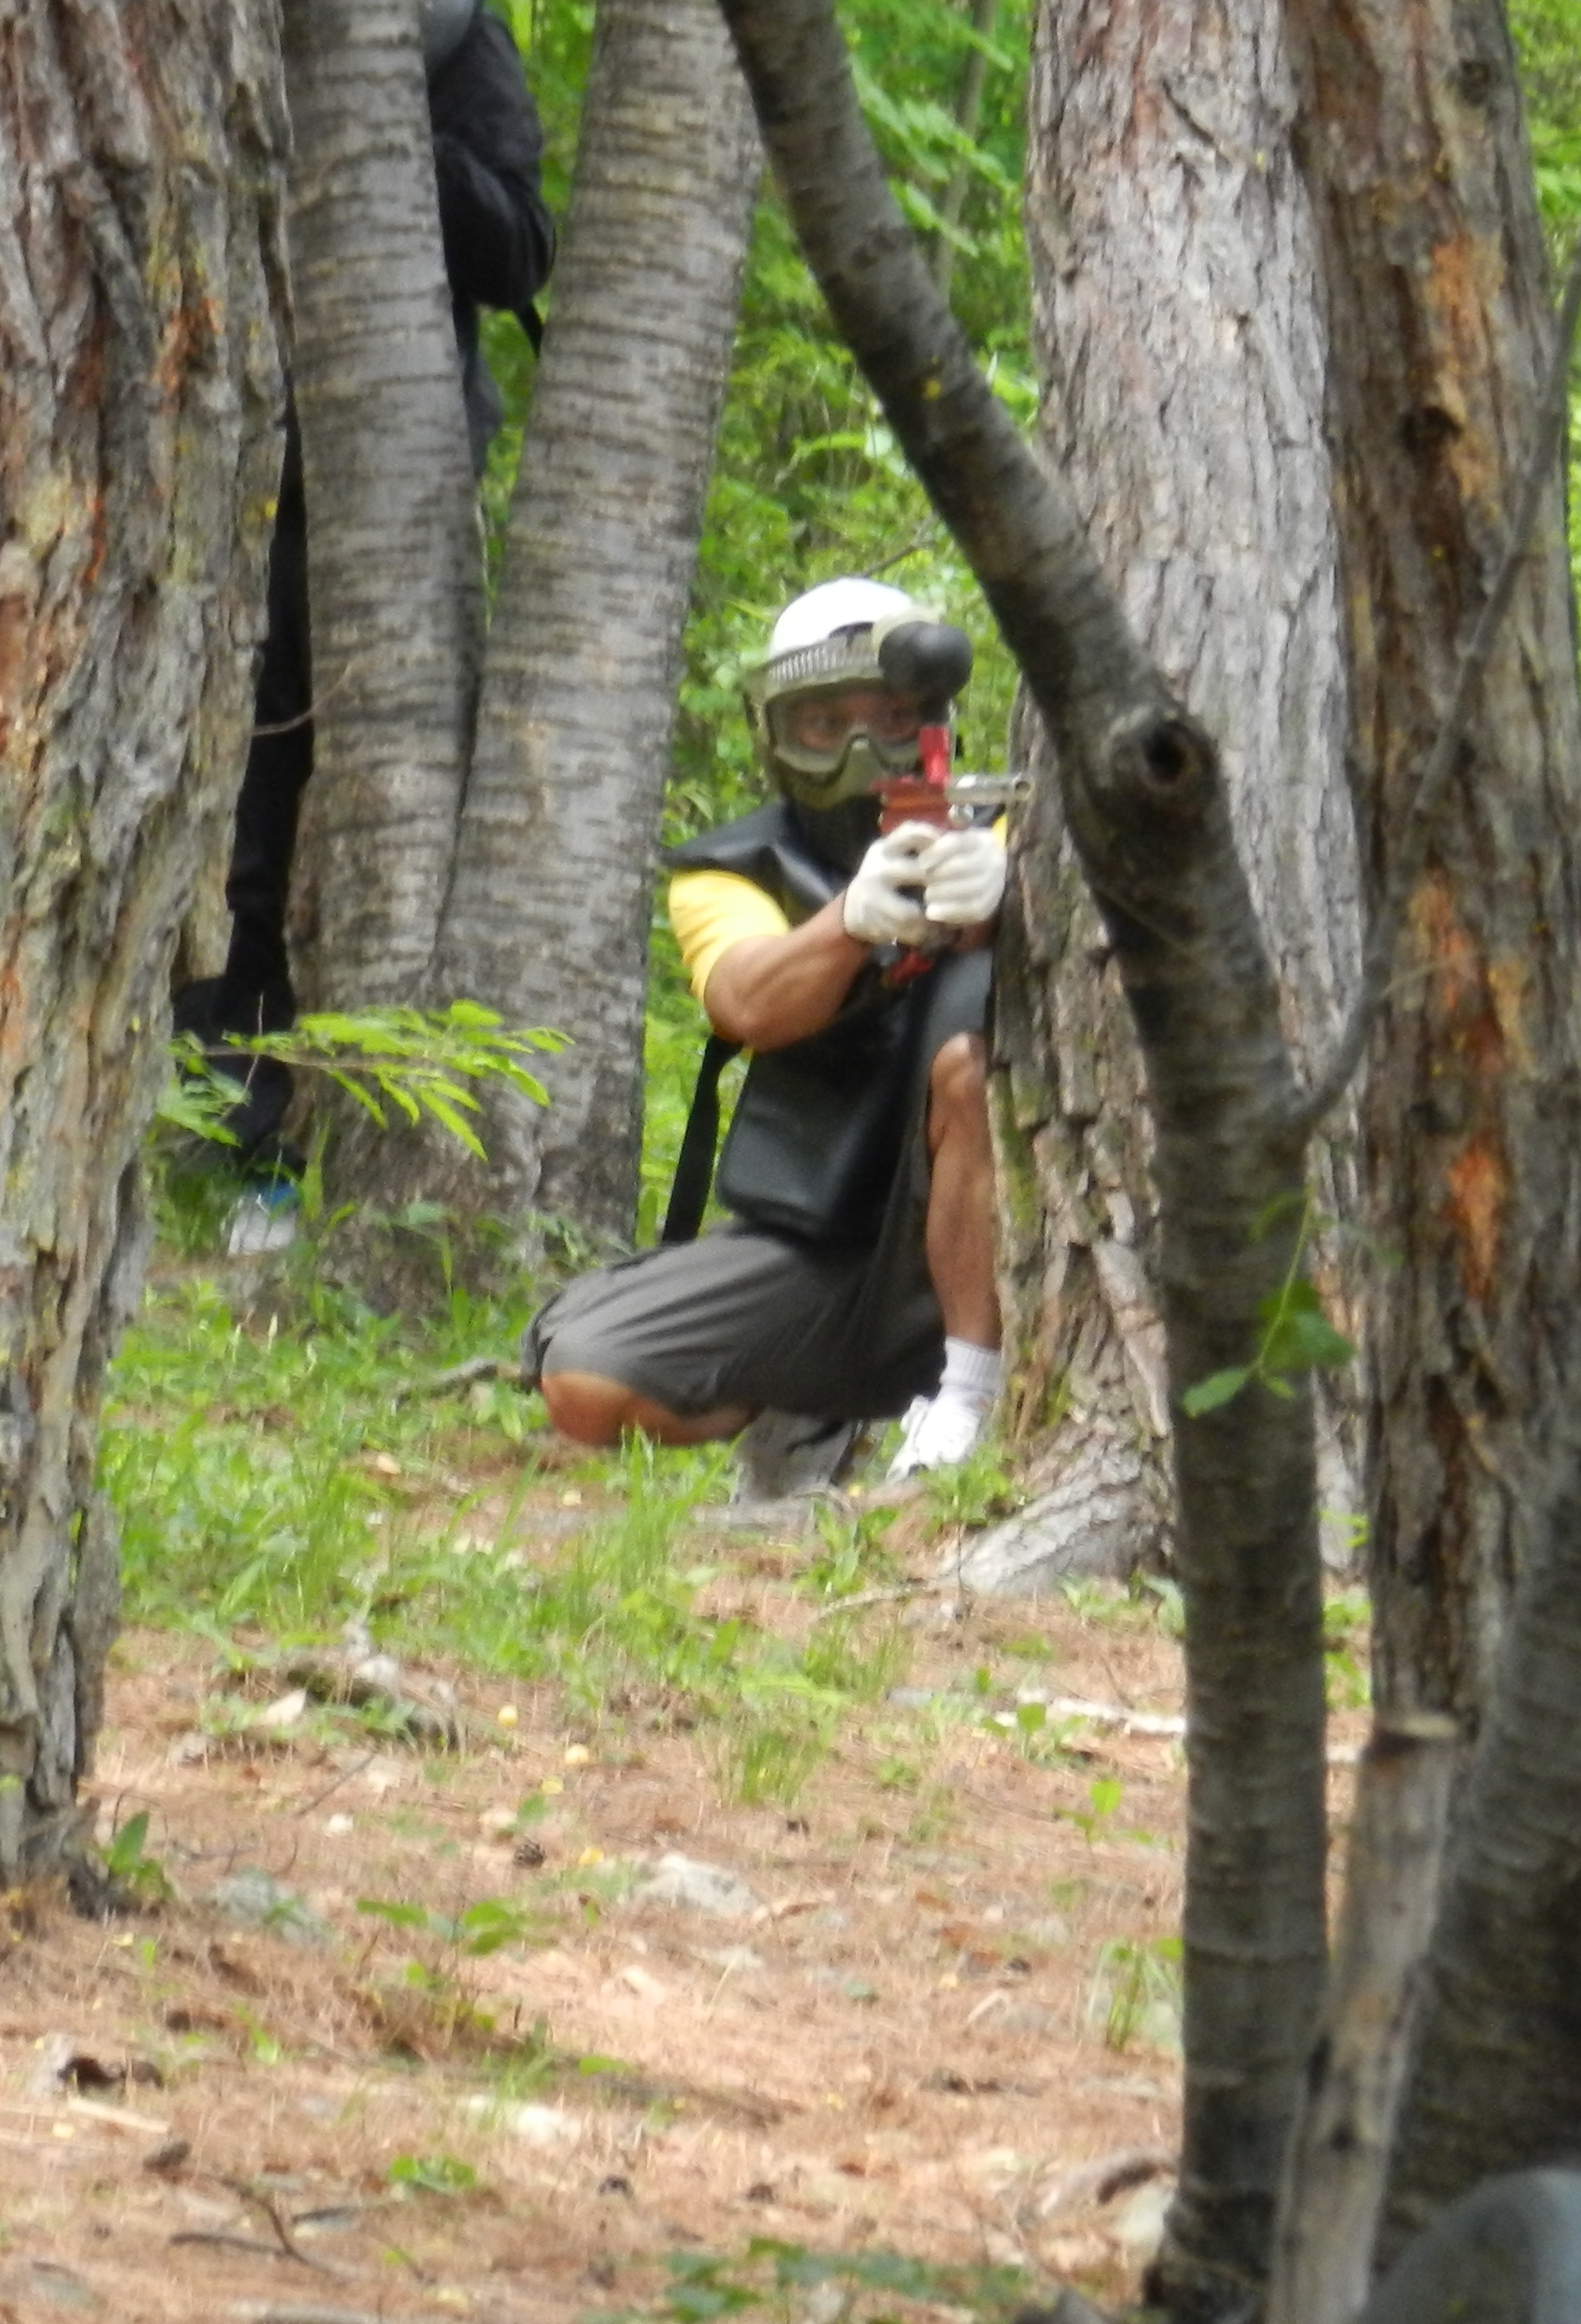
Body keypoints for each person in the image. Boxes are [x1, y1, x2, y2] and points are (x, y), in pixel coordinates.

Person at [182, 0, 554, 1246]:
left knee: (360, 825)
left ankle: (323, 1154)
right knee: (226, 831)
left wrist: (387, 131)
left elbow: (521, 248)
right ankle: (230, 1146)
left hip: (379, 490)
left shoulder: (448, 31)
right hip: (200, 467)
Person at [523, 578, 1010, 1482]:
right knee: (590, 1377)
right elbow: (745, 1001)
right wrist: (852, 923)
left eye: (895, 715)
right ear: (779, 735)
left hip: (1001, 1237)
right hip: (823, 1248)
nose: (864, 748)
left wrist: (1010, 889)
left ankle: (973, 1394)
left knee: (969, 1061)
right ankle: (813, 1406)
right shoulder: (732, 869)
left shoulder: (1011, 831)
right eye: (825, 724)